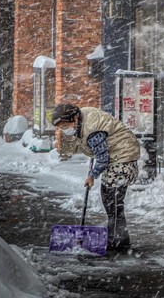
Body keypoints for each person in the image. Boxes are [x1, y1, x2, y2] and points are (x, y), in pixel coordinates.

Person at [51, 103, 140, 253]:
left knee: (113, 201)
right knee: (109, 199)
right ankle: (120, 238)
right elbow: (96, 147)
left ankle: (118, 240)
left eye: (65, 125)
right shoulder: (83, 120)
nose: (64, 129)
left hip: (122, 158)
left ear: (75, 118)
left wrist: (92, 175)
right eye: (61, 127)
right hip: (117, 157)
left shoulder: (91, 130)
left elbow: (102, 157)